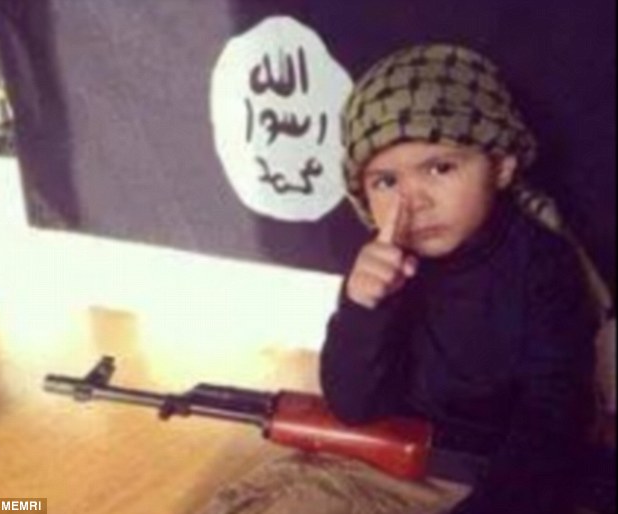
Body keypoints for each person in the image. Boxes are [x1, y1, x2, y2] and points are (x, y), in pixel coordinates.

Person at [197, 43, 601, 514]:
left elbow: (552, 418)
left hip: (506, 477)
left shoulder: (543, 264)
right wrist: (363, 307)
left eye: (440, 168)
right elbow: (353, 405)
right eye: (386, 182)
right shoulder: (383, 264)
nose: (414, 202)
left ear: (501, 165)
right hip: (387, 466)